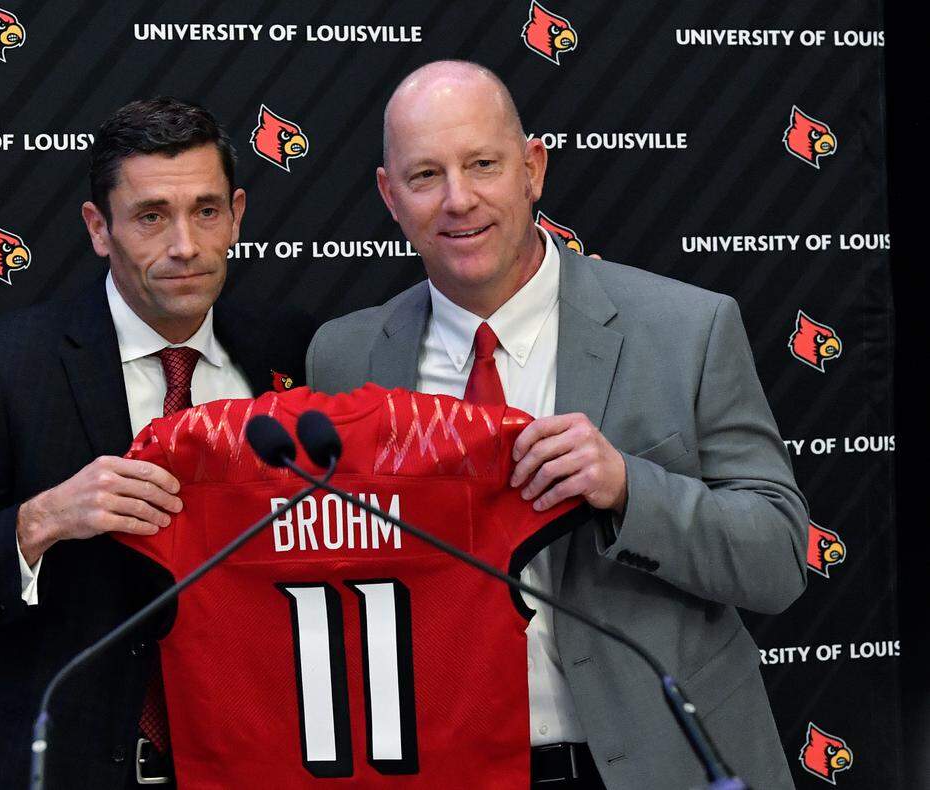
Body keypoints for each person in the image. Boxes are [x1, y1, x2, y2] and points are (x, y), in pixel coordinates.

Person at [305, 61, 808, 790]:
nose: (459, 200)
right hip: (447, 770)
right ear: (390, 195)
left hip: (660, 767)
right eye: (425, 176)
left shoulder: (686, 328)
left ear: (533, 168)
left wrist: (630, 488)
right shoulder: (343, 356)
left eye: (483, 164)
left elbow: (780, 560)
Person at [0, 97, 314, 789]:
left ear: (237, 214)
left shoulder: (290, 351)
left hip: (251, 763)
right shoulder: (8, 364)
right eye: (150, 217)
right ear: (98, 228)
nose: (184, 246)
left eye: (205, 211)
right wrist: (41, 522)